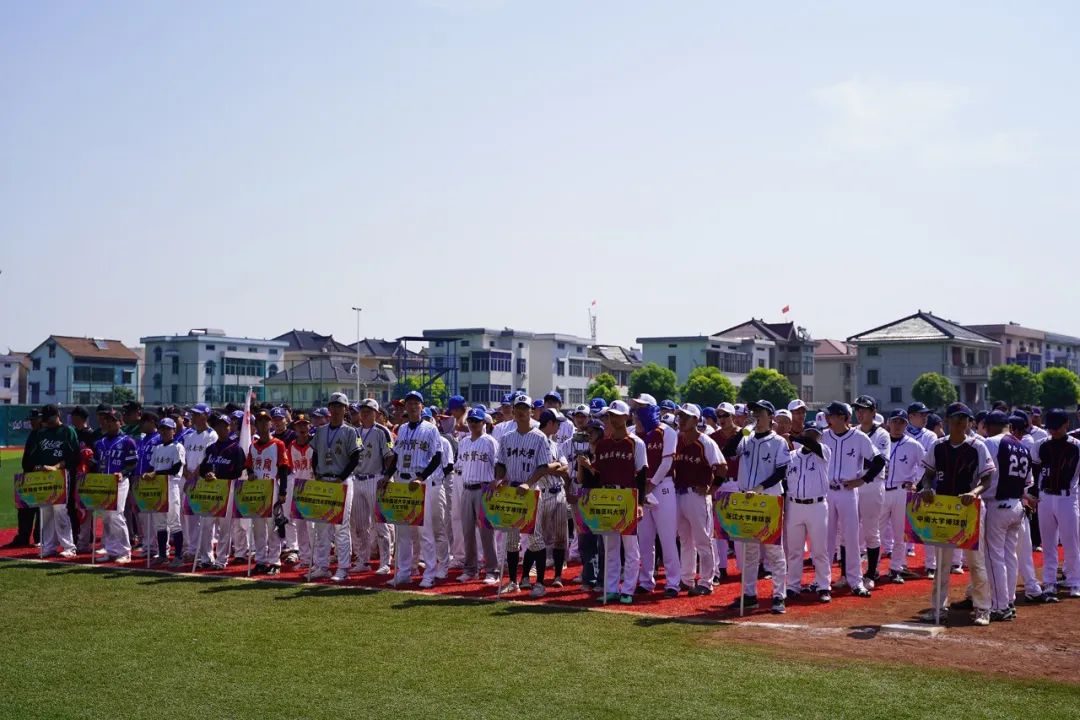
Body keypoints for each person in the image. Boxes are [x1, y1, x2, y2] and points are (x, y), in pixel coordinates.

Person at [917, 403, 994, 625]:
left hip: (969, 508)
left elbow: (987, 479)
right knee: (942, 562)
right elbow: (928, 474)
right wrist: (926, 488)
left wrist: (974, 492)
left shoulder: (977, 446)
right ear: (948, 420)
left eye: (964, 418)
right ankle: (937, 608)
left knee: (975, 562)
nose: (960, 422)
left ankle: (982, 608)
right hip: (944, 507)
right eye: (955, 417)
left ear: (969, 422)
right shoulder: (938, 445)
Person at [576, 400, 646, 604]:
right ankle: (611, 588)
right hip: (606, 496)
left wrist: (640, 503)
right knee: (610, 548)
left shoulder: (636, 442)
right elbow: (598, 475)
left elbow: (642, 474)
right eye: (610, 415)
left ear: (627, 417)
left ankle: (628, 590)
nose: (613, 419)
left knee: (630, 548)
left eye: (617, 415)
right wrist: (586, 467)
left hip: (627, 496)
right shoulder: (603, 444)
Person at [731, 400, 790, 614]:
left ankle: (778, 595)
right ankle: (749, 595)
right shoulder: (746, 439)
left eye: (760, 412)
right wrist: (742, 431)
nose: (756, 415)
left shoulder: (779, 441)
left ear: (771, 417)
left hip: (769, 499)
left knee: (773, 550)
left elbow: (781, 472)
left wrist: (759, 488)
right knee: (749, 550)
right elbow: (728, 451)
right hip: (747, 499)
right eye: (754, 411)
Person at [490, 395, 551, 596]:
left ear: (532, 411)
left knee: (535, 538)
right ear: (514, 411)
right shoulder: (507, 437)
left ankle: (539, 583)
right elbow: (500, 463)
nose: (522, 411)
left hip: (531, 491)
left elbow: (543, 467)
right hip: (511, 491)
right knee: (511, 540)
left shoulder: (540, 437)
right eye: (519, 408)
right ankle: (513, 582)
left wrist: (528, 483)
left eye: (525, 408)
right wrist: (499, 479)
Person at [820, 401, 882, 597]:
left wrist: (863, 480)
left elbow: (879, 461)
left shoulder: (859, 437)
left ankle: (855, 581)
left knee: (851, 538)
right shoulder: (823, 436)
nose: (828, 418)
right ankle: (822, 581)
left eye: (831, 415)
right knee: (827, 538)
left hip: (848, 492)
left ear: (843, 417)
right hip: (828, 492)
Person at [385, 391, 442, 588]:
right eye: (409, 403)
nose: (412, 406)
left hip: (419, 482)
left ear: (421, 406)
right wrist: (386, 476)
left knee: (424, 532)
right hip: (402, 480)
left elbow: (437, 457)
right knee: (403, 531)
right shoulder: (401, 429)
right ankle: (404, 572)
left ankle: (430, 573)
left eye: (415, 403)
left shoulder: (431, 429)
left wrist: (422, 477)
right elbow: (396, 456)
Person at [981, 410, 1032, 621]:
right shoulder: (1023, 446)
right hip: (1017, 505)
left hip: (997, 506)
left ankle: (1000, 606)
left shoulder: (990, 443)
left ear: (990, 426)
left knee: (994, 558)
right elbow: (1028, 484)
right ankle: (1009, 601)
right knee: (1010, 556)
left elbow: (982, 473)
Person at [671, 403, 726, 597]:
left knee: (703, 540)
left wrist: (711, 490)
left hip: (697, 495)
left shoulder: (706, 442)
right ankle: (686, 578)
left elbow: (722, 467)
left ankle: (706, 582)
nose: (681, 420)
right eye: (680, 416)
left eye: (686, 417)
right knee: (685, 540)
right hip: (679, 494)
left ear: (695, 420)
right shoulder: (677, 439)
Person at [632, 393, 680, 596]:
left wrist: (650, 485)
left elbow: (667, 462)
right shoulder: (632, 433)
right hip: (641, 488)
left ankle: (673, 582)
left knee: (667, 538)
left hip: (662, 487)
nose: (637, 412)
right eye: (636, 408)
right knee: (644, 539)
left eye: (642, 407)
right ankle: (646, 580)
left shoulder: (667, 432)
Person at [310, 393, 360, 582]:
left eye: (340, 406)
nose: (337, 409)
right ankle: (322, 565)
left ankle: (343, 567)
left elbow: (355, 458)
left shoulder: (351, 431)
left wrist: (341, 477)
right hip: (324, 480)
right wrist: (316, 474)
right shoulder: (320, 431)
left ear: (345, 409)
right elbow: (315, 454)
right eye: (333, 405)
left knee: (341, 526)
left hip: (342, 482)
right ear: (329, 408)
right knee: (321, 526)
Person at [1030, 408, 1080, 600]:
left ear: (1066, 424)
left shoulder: (1076, 446)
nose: (1053, 430)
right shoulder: (1041, 444)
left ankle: (1075, 581)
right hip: (1045, 497)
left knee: (1071, 542)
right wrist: (1034, 494)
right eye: (1050, 427)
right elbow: (1035, 471)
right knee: (1048, 542)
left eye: (1057, 427)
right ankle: (1049, 582)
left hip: (1068, 497)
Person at [784, 421, 833, 602]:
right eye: (809, 433)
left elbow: (811, 444)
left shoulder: (824, 452)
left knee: (819, 550)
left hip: (817, 506)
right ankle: (793, 586)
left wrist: (795, 437)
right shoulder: (791, 456)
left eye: (815, 434)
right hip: (794, 505)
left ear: (820, 436)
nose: (812, 436)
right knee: (794, 551)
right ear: (804, 433)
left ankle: (823, 586)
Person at [21, 404, 78, 558]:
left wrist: (56, 467)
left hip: (61, 475)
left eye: (48, 418)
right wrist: (37, 467)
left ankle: (68, 546)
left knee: (60, 510)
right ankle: (48, 546)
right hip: (43, 477)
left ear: (57, 415)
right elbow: (34, 456)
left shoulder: (67, 431)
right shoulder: (41, 433)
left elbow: (73, 456)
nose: (45, 421)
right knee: (45, 511)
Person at [350, 399, 395, 575]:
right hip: (358, 478)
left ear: (376, 413)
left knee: (380, 524)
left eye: (368, 410)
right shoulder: (355, 432)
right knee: (360, 524)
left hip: (376, 478)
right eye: (362, 410)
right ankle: (364, 560)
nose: (365, 413)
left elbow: (390, 455)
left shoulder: (382, 431)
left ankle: (385, 561)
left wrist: (387, 477)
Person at [878, 410, 924, 584]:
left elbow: (925, 465)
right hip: (881, 490)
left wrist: (915, 481)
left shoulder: (913, 445)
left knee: (900, 534)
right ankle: (873, 569)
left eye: (901, 422)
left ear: (906, 424)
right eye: (895, 421)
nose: (897, 425)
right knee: (876, 532)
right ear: (889, 422)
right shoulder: (880, 441)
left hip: (901, 491)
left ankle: (896, 568)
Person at [455, 407, 499, 584]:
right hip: (467, 488)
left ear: (484, 423)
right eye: (471, 421)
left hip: (484, 489)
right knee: (467, 532)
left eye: (477, 421)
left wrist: (496, 482)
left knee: (487, 533)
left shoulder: (490, 441)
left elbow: (498, 465)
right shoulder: (464, 442)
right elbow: (460, 465)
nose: (473, 424)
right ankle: (471, 569)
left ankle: (492, 571)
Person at [196, 414, 245, 570]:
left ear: (230, 427)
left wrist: (219, 476)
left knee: (224, 527)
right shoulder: (211, 448)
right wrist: (207, 474)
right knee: (206, 525)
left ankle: (221, 559)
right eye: (218, 425)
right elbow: (203, 469)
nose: (221, 428)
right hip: (210, 492)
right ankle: (206, 558)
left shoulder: (236, 448)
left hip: (227, 490)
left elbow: (238, 471)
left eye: (225, 425)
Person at [245, 410, 291, 575]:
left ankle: (274, 561)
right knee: (258, 528)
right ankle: (260, 560)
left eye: (266, 421)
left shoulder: (278, 444)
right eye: (260, 421)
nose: (263, 424)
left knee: (273, 527)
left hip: (272, 488)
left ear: (270, 424)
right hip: (257, 490)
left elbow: (284, 468)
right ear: (256, 425)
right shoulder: (253, 445)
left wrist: (283, 491)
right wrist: (250, 473)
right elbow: (248, 465)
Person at [852, 395, 890, 588]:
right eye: (857, 410)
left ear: (873, 412)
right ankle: (848, 574)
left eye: (864, 410)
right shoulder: (853, 432)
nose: (860, 413)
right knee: (848, 530)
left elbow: (879, 461)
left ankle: (871, 573)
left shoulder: (882, 434)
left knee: (871, 530)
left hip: (872, 484)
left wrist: (859, 466)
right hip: (853, 484)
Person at [90, 405, 136, 563]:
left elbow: (132, 463)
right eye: (107, 420)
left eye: (112, 420)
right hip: (104, 482)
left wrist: (123, 473)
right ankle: (111, 550)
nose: (109, 423)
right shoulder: (100, 443)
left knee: (116, 515)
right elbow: (96, 463)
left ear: (120, 422)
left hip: (120, 482)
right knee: (107, 517)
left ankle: (125, 551)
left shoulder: (128, 441)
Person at [180, 404, 217, 568]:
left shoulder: (212, 435)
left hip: (203, 480)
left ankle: (206, 553)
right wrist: (186, 473)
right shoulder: (189, 435)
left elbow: (208, 458)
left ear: (205, 416)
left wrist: (195, 474)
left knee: (205, 519)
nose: (193, 417)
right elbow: (183, 457)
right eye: (193, 414)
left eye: (197, 414)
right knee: (190, 516)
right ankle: (193, 549)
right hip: (188, 479)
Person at [709, 402, 743, 581]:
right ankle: (720, 568)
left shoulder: (744, 435)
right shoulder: (713, 437)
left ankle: (744, 568)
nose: (721, 419)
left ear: (733, 417)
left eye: (725, 415)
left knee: (739, 530)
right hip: (720, 484)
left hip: (738, 483)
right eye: (719, 416)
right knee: (719, 529)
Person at [144, 417, 185, 564]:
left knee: (174, 522)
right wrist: (147, 474)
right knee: (160, 523)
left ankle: (178, 556)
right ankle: (162, 554)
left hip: (171, 487)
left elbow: (175, 469)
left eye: (168, 428)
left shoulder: (178, 447)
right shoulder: (157, 448)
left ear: (174, 430)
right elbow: (151, 467)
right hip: (158, 487)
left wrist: (155, 473)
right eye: (162, 428)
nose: (165, 431)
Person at [286, 413, 316, 569]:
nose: (302, 428)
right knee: (300, 525)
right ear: (295, 428)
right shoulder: (291, 446)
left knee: (312, 527)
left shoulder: (315, 443)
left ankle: (316, 559)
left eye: (305, 424)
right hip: (298, 488)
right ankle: (305, 558)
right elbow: (291, 469)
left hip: (313, 488)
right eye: (299, 425)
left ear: (309, 426)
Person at [68, 405, 98, 550]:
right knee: (73, 507)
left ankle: (87, 538)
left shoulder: (91, 434)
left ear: (79, 418)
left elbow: (96, 457)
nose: (71, 419)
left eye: (73, 416)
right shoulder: (72, 433)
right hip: (74, 475)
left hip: (87, 477)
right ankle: (75, 536)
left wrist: (90, 462)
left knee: (86, 508)